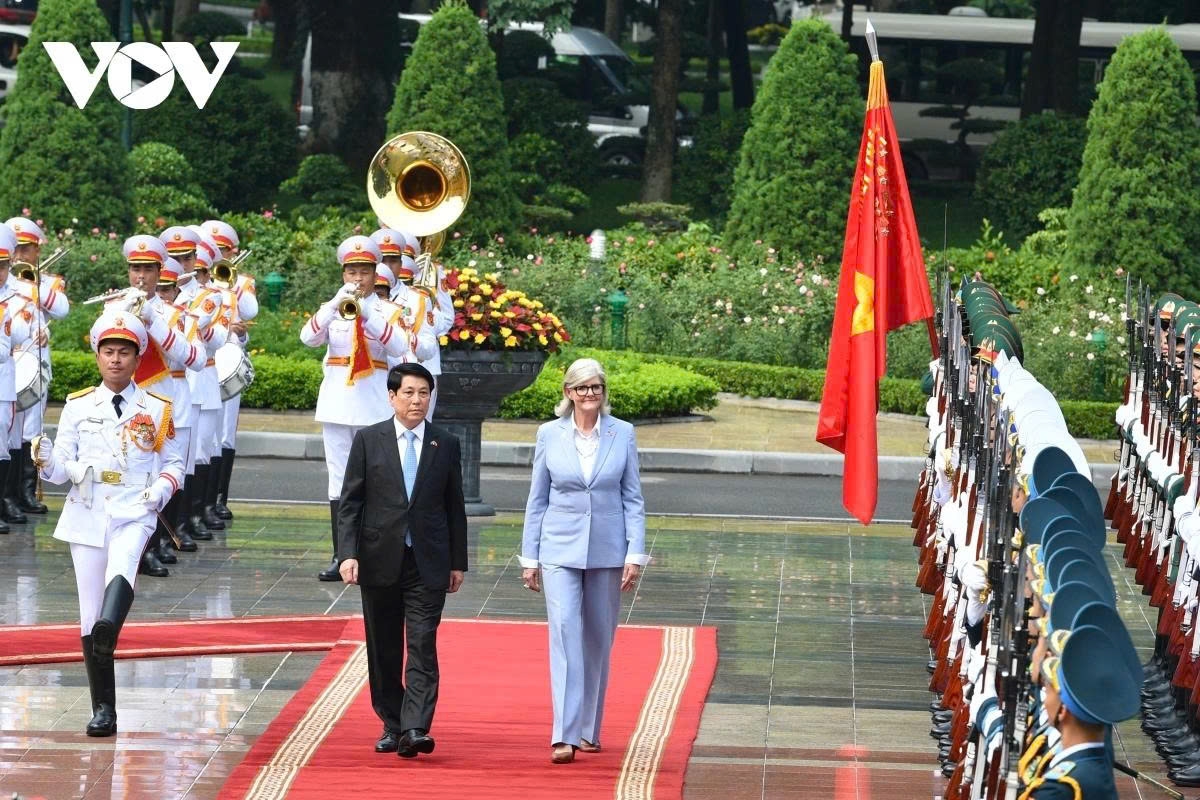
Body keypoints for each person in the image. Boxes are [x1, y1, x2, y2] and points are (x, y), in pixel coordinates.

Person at [36, 310, 185, 736]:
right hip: (87, 508)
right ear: (98, 357)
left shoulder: (157, 408)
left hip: (134, 508)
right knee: (88, 615)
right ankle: (104, 709)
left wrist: (159, 491)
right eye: (108, 352)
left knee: (124, 567)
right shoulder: (78, 404)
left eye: (124, 352)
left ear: (138, 360)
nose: (116, 359)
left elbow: (174, 464)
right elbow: (61, 470)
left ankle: (110, 625)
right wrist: (45, 460)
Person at [520, 358, 649, 764]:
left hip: (609, 551)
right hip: (558, 548)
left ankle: (589, 730)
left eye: (596, 387)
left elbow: (633, 498)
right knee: (564, 634)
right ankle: (564, 733)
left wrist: (634, 554)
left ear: (603, 392)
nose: (590, 394)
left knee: (597, 639)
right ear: (568, 393)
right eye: (582, 388)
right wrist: (530, 557)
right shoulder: (548, 434)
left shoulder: (623, 433)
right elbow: (537, 498)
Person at [336, 362, 468, 759]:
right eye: (408, 393)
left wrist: (457, 561)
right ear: (392, 396)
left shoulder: (445, 443)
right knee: (384, 648)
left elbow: (454, 506)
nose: (417, 400)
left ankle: (415, 728)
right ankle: (392, 723)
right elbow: (350, 503)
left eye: (424, 393)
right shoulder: (368, 440)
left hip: (428, 561)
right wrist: (347, 554)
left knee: (423, 643)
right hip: (379, 559)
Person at [301, 235, 420, 582]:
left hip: (373, 405)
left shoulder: (387, 311)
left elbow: (400, 346)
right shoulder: (334, 306)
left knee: (380, 480)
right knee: (339, 481)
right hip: (338, 402)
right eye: (351, 271)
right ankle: (342, 555)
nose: (358, 278)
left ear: (375, 273)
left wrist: (369, 315)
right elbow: (307, 337)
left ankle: (380, 552)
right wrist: (333, 305)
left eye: (364, 271)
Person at [6, 216, 68, 517]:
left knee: (32, 429)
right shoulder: (4, 283)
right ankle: (9, 496)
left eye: (26, 249)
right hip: (10, 362)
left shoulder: (47, 283)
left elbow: (62, 309)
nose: (20, 255)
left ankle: (27, 492)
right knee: (11, 431)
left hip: (35, 365)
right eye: (16, 249)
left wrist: (32, 285)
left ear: (36, 251)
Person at [203, 219, 257, 522]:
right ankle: (204, 502)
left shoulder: (240, 283)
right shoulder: (197, 285)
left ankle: (219, 499)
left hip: (229, 359)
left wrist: (230, 282)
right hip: (206, 360)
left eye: (220, 249)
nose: (215, 255)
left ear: (231, 251)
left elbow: (251, 312)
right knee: (206, 435)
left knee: (225, 434)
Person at [0, 224, 32, 534]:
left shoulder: (17, 295)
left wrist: (16, 313)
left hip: (2, 378)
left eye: (1, 266)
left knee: (2, 443)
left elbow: (23, 335)